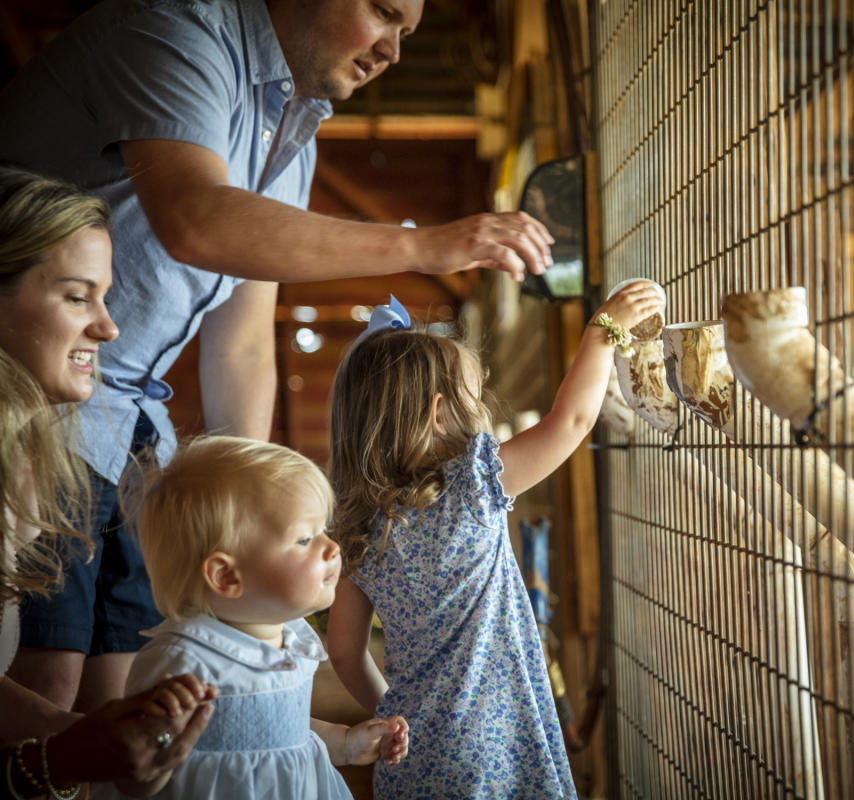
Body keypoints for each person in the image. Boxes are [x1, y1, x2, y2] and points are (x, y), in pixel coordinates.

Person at [0, 0, 555, 713]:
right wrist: (424, 244)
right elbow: (197, 220)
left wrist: (251, 494)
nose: (392, 51)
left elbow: (241, 337)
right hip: (32, 400)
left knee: (130, 676)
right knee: (48, 677)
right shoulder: (171, 29)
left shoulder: (294, 134)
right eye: (384, 13)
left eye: (407, 34)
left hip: (129, 422)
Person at [324, 282, 663, 798]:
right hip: (497, 745)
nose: (480, 404)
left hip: (413, 758)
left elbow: (345, 653)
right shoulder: (473, 487)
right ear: (439, 414)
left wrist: (394, 719)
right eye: (472, 395)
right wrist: (604, 329)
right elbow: (570, 422)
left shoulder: (360, 532)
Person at [0, 164, 216, 798]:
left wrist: (77, 736)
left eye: (105, 297)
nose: (109, 327)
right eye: (76, 297)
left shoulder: (31, 459)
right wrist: (55, 761)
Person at [94, 435, 409, 800]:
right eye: (305, 539)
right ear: (227, 577)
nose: (332, 546)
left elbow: (273, 730)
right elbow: (137, 767)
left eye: (323, 529)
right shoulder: (183, 664)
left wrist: (345, 742)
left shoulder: (290, 639)